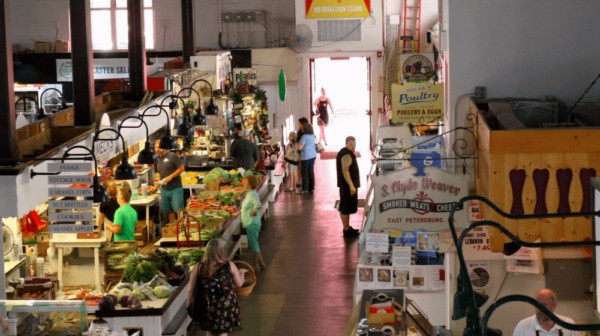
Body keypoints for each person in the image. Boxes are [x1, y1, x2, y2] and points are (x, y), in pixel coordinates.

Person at [187, 238, 247, 335]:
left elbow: (190, 290)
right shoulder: (229, 265)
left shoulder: (198, 267)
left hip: (206, 304)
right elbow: (239, 284)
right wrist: (242, 273)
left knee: (209, 331)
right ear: (220, 250)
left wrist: (189, 305)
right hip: (226, 305)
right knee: (223, 331)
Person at [513, 288, 579, 336]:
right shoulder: (522, 327)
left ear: (553, 305)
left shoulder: (568, 325)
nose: (539, 309)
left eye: (543, 305)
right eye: (536, 305)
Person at [155, 140, 185, 223]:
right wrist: (157, 185)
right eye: (156, 147)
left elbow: (181, 168)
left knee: (179, 210)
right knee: (169, 211)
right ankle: (173, 228)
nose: (158, 149)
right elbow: (162, 174)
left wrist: (171, 177)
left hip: (175, 188)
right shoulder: (157, 158)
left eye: (160, 147)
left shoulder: (172, 156)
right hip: (164, 189)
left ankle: (183, 228)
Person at [336, 136, 361, 237]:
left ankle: (347, 227)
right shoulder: (346, 155)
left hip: (345, 186)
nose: (353, 146)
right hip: (347, 187)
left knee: (344, 207)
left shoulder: (344, 152)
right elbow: (345, 170)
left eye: (354, 144)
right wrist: (351, 185)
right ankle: (346, 229)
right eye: (351, 144)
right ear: (346, 143)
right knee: (346, 208)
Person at [241, 174, 266, 271]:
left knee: (253, 244)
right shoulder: (250, 193)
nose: (243, 183)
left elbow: (258, 205)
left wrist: (254, 211)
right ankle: (261, 263)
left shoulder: (252, 194)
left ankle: (256, 266)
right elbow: (246, 206)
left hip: (251, 223)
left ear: (250, 184)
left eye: (245, 182)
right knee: (255, 243)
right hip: (252, 222)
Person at [297, 122, 317, 194]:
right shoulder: (312, 136)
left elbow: (300, 147)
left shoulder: (304, 136)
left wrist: (298, 145)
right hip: (313, 156)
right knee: (310, 171)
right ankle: (311, 187)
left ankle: (305, 189)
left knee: (304, 173)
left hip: (306, 157)